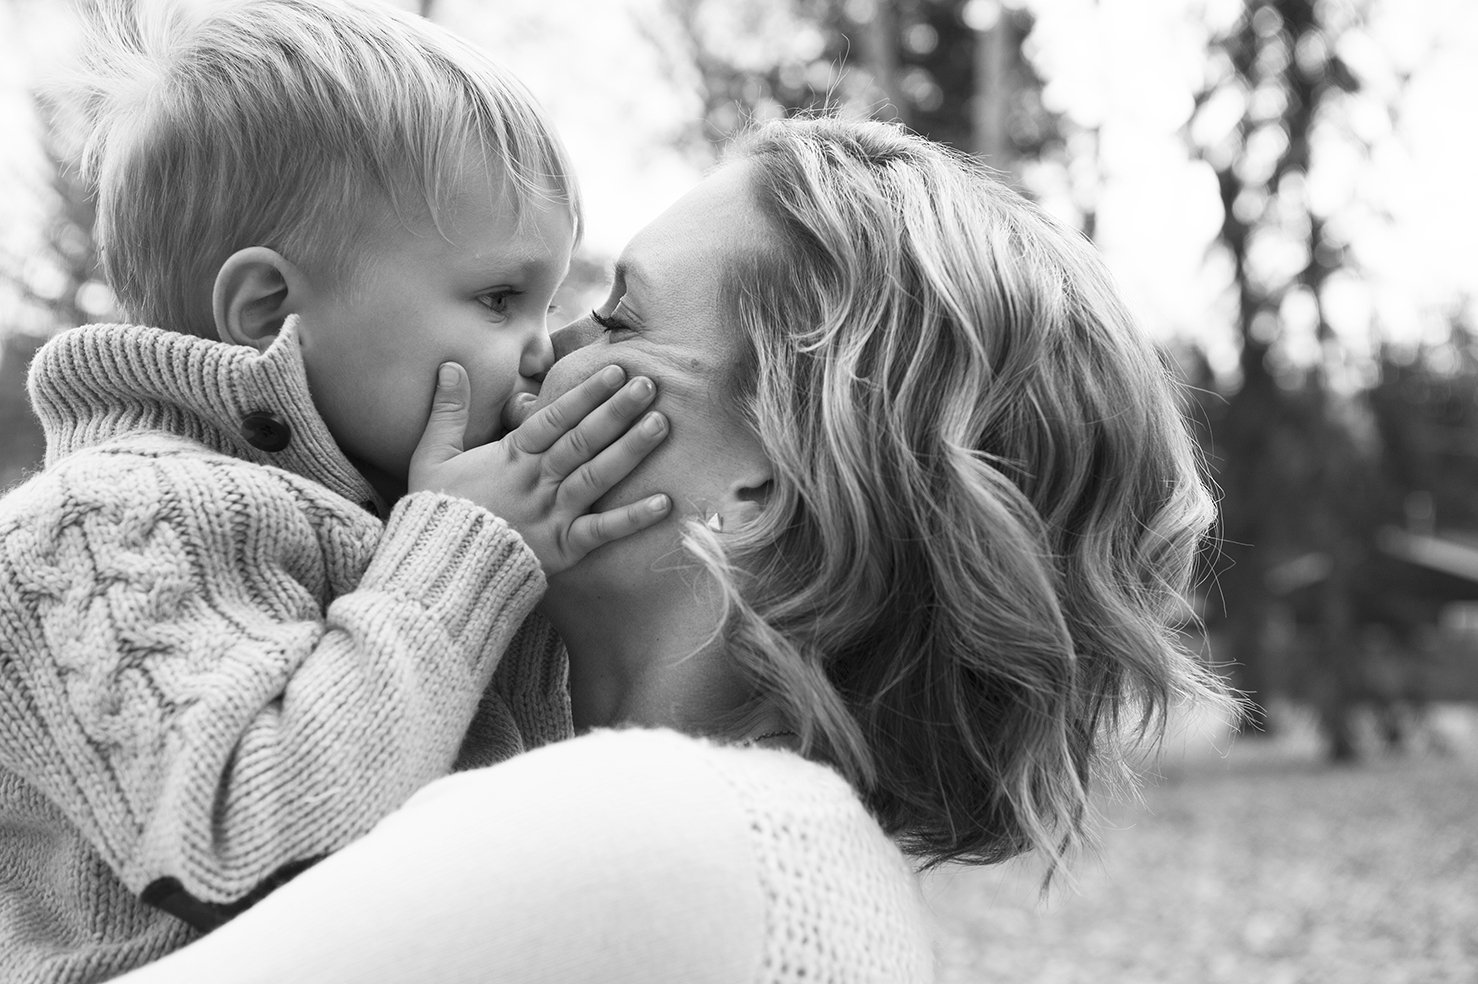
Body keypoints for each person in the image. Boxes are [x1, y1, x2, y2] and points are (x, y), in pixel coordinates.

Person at [113, 116, 1234, 984]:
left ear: (779, 464)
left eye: (618, 322)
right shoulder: (716, 844)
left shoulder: (670, 832)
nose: (540, 349)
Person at [0, 1, 670, 980]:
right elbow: (257, 842)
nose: (542, 344)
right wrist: (466, 554)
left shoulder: (395, 514)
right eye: (498, 298)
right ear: (270, 309)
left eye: (554, 296)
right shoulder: (97, 529)